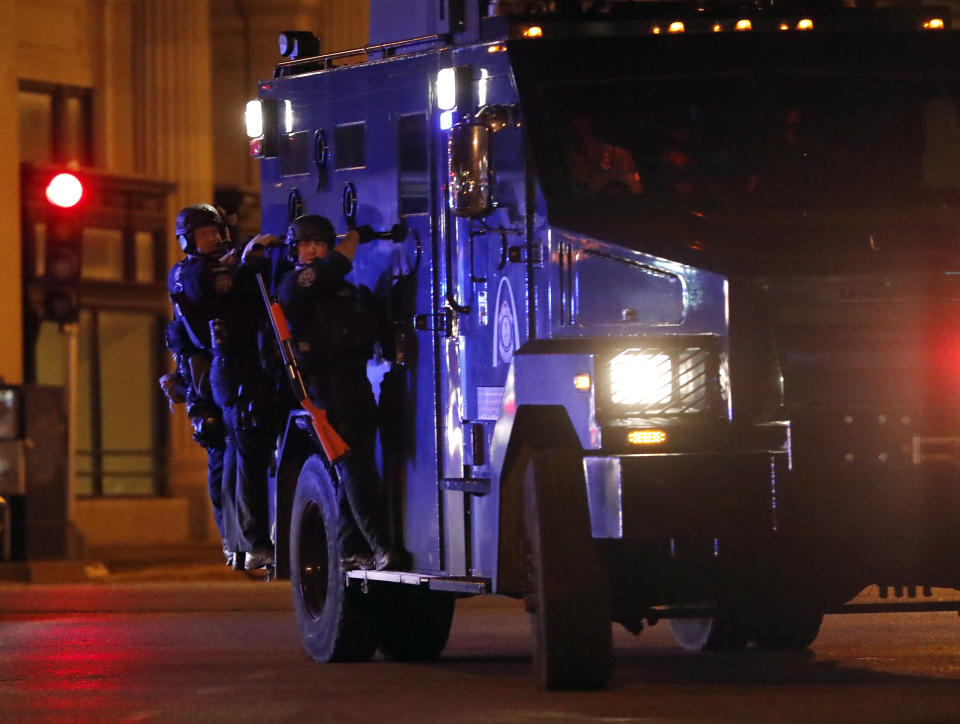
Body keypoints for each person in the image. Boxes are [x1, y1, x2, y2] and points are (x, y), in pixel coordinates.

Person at [277, 214, 409, 572]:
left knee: (360, 464)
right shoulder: (295, 284)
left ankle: (350, 546)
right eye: (306, 244)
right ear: (295, 251)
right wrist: (352, 236)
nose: (314, 250)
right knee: (352, 466)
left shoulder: (350, 293)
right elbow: (335, 265)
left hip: (356, 383)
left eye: (320, 242)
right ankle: (380, 545)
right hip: (323, 388)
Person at [174, 203, 282, 571]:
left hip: (231, 369)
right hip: (229, 369)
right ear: (189, 240)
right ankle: (248, 542)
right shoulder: (194, 272)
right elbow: (220, 290)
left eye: (217, 231)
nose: (214, 238)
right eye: (205, 234)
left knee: (235, 455)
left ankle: (238, 542)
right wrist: (252, 261)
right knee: (240, 453)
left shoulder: (211, 266)